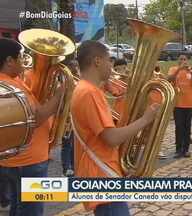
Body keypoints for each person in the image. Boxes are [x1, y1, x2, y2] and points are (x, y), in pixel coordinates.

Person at [71, 41, 159, 215]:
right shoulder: (90, 92)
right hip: (102, 176)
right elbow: (111, 138)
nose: (111, 66)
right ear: (97, 61)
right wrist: (145, 119)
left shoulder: (84, 89)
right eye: (108, 61)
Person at [0, 38, 64, 216]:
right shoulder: (9, 85)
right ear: (9, 61)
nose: (24, 61)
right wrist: (59, 94)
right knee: (30, 211)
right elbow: (36, 119)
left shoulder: (12, 81)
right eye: (20, 57)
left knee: (18, 207)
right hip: (28, 162)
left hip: (19, 161)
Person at [167, 55, 192, 158]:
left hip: (189, 103)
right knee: (179, 126)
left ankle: (186, 150)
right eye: (181, 59)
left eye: (185, 59)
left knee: (187, 127)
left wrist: (191, 72)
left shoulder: (191, 71)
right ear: (178, 60)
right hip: (177, 103)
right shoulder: (173, 69)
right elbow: (169, 79)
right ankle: (178, 149)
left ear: (187, 61)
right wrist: (178, 69)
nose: (183, 61)